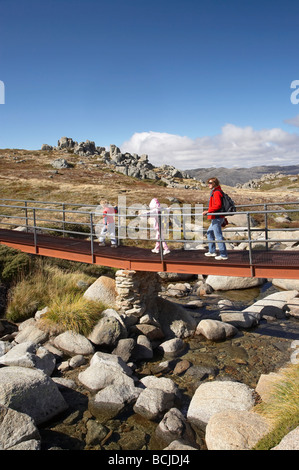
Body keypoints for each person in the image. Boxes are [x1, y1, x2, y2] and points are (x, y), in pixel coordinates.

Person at [202, 177, 228, 260]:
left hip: (217, 216)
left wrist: (208, 211)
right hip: (216, 216)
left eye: (210, 183)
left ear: (214, 183)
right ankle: (212, 251)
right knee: (209, 233)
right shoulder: (215, 191)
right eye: (208, 183)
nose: (208, 184)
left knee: (218, 235)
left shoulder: (216, 192)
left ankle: (223, 255)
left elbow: (218, 205)